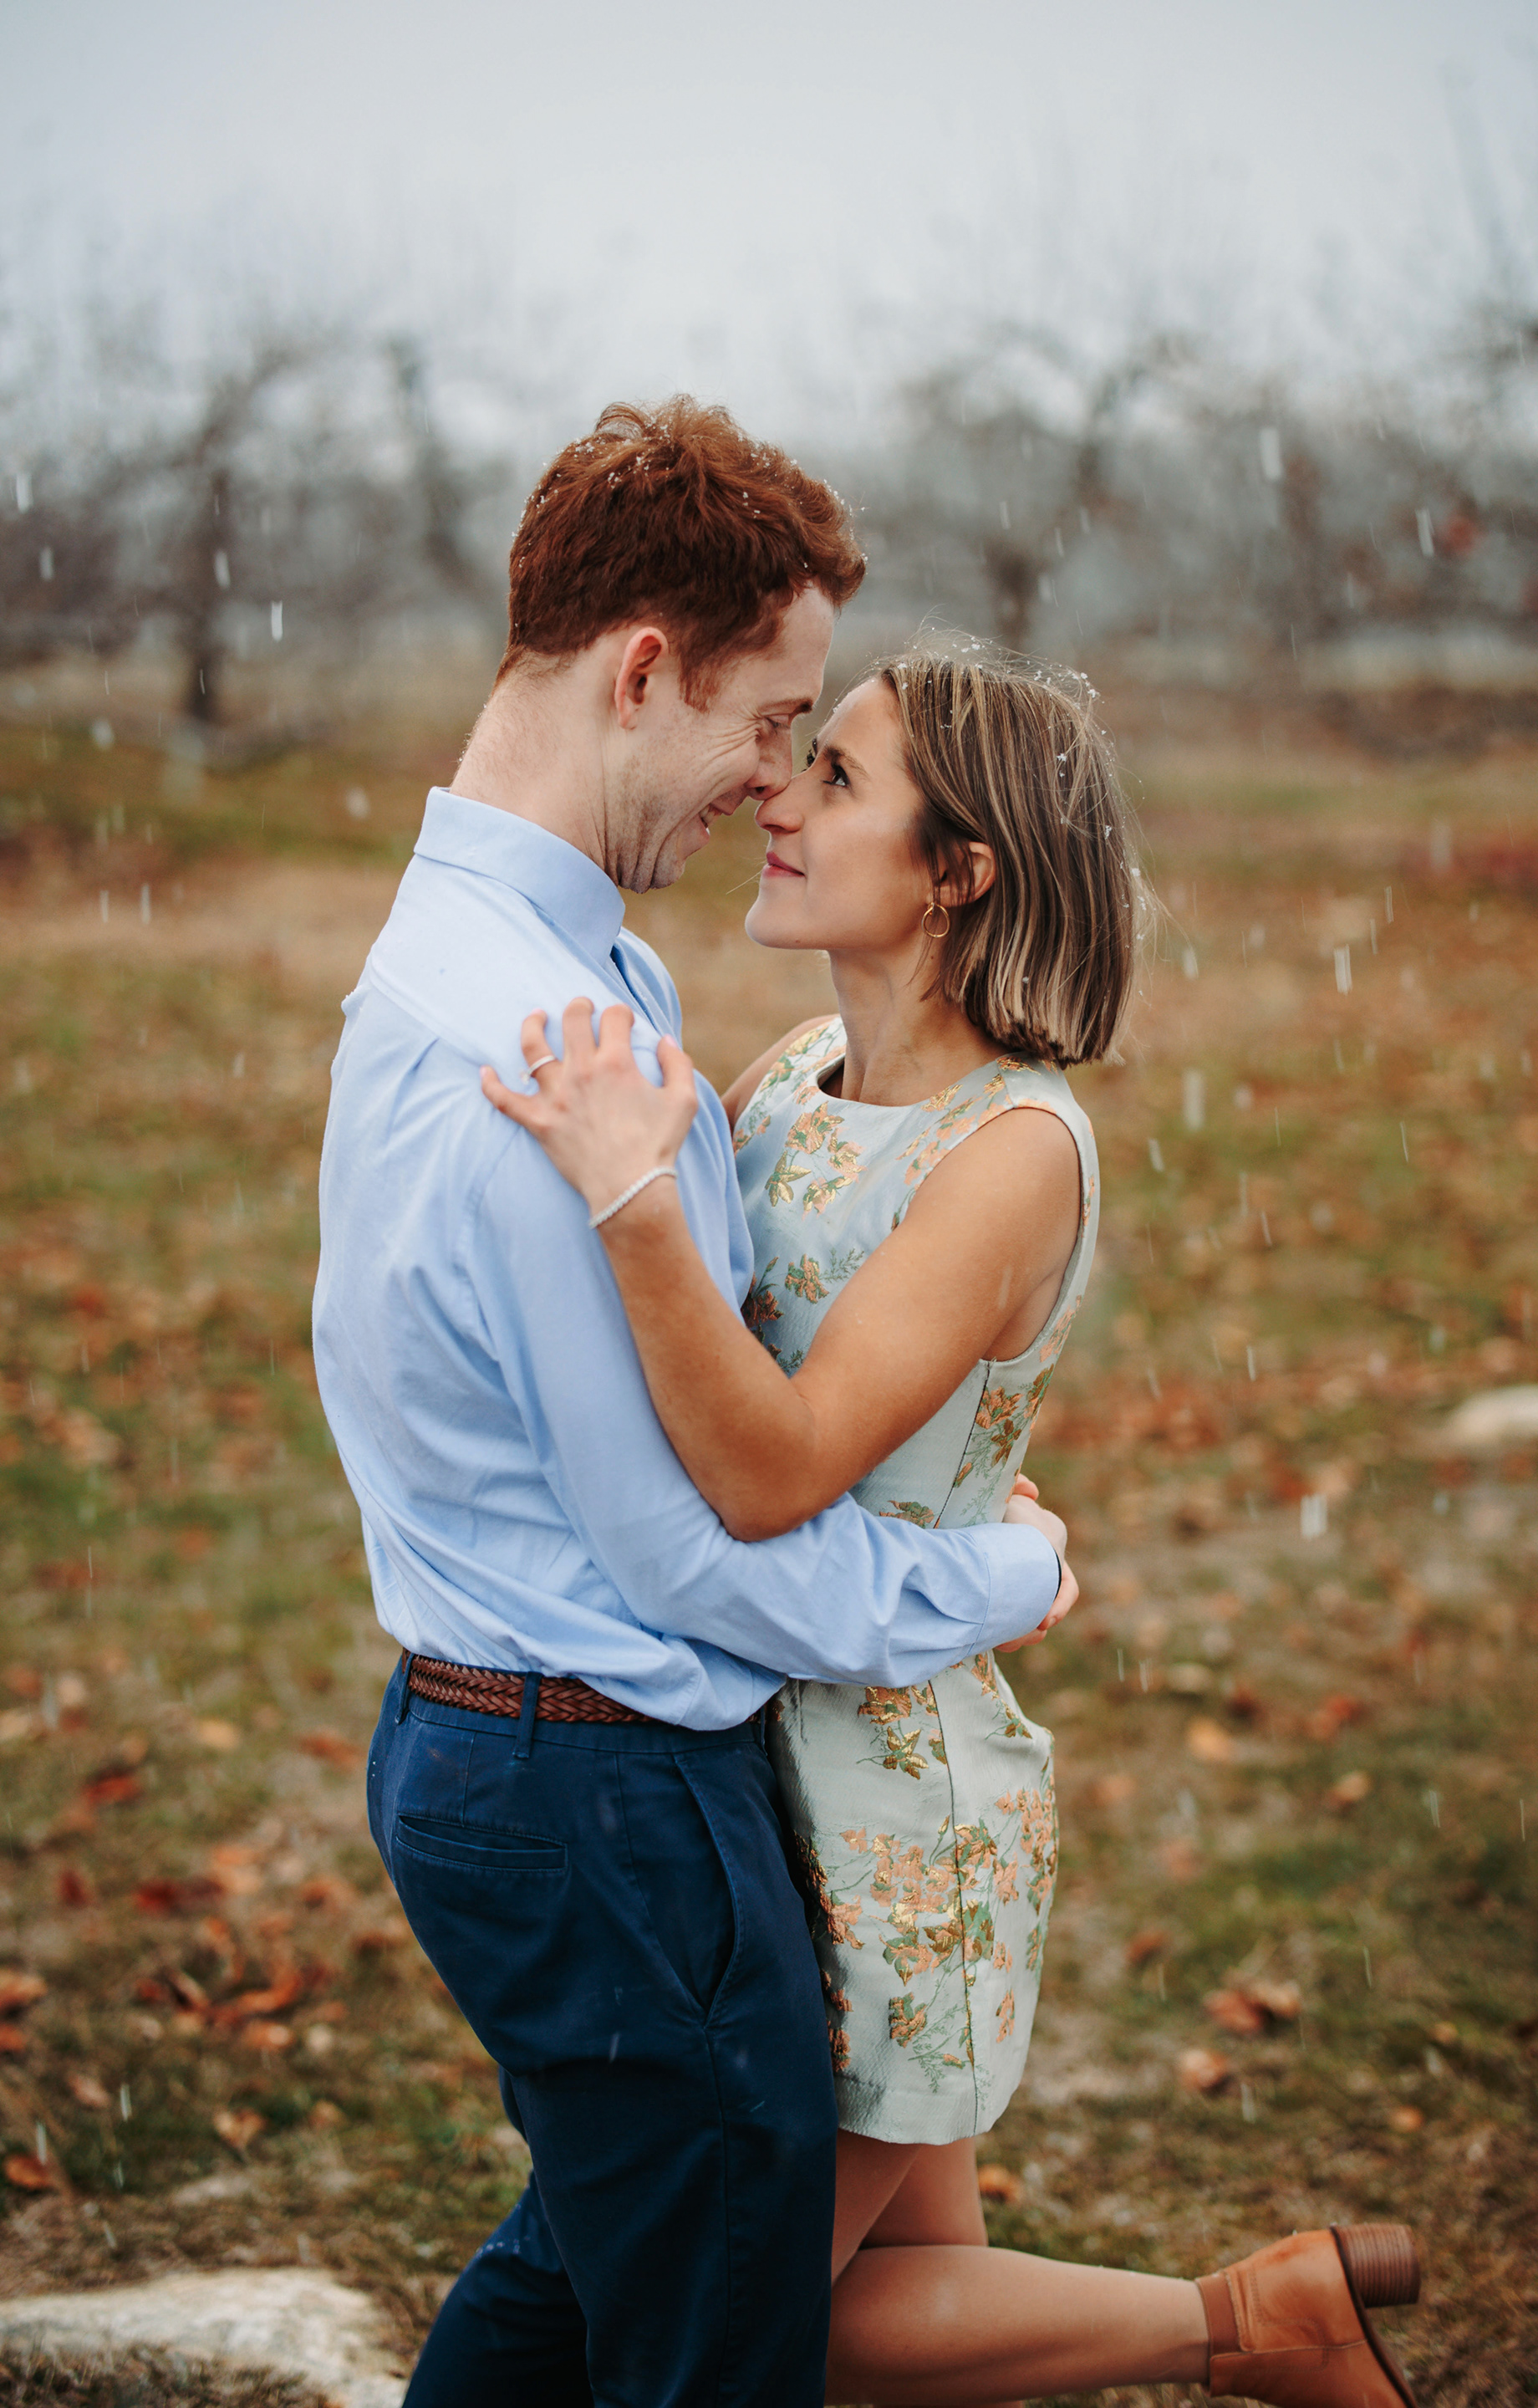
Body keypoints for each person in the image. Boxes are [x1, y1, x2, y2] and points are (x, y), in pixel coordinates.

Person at [482, 648, 1423, 2408]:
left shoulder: (1012, 1154)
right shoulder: (791, 1072)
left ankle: (1251, 2324)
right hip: (760, 1758)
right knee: (897, 2301)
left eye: (835, 777)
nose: (778, 793)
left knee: (738, 2305)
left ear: (960, 868)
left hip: (884, 1806)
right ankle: (1270, 2321)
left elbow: (773, 1468)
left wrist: (631, 1211)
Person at [312, 397, 1077, 2408]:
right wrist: (983, 1587)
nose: (772, 788)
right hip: (602, 1785)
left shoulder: (519, 968)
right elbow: (680, 1530)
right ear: (643, 669)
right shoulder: (538, 1049)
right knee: (707, 2347)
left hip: (545, 1752)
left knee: (603, 2282)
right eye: (773, 725)